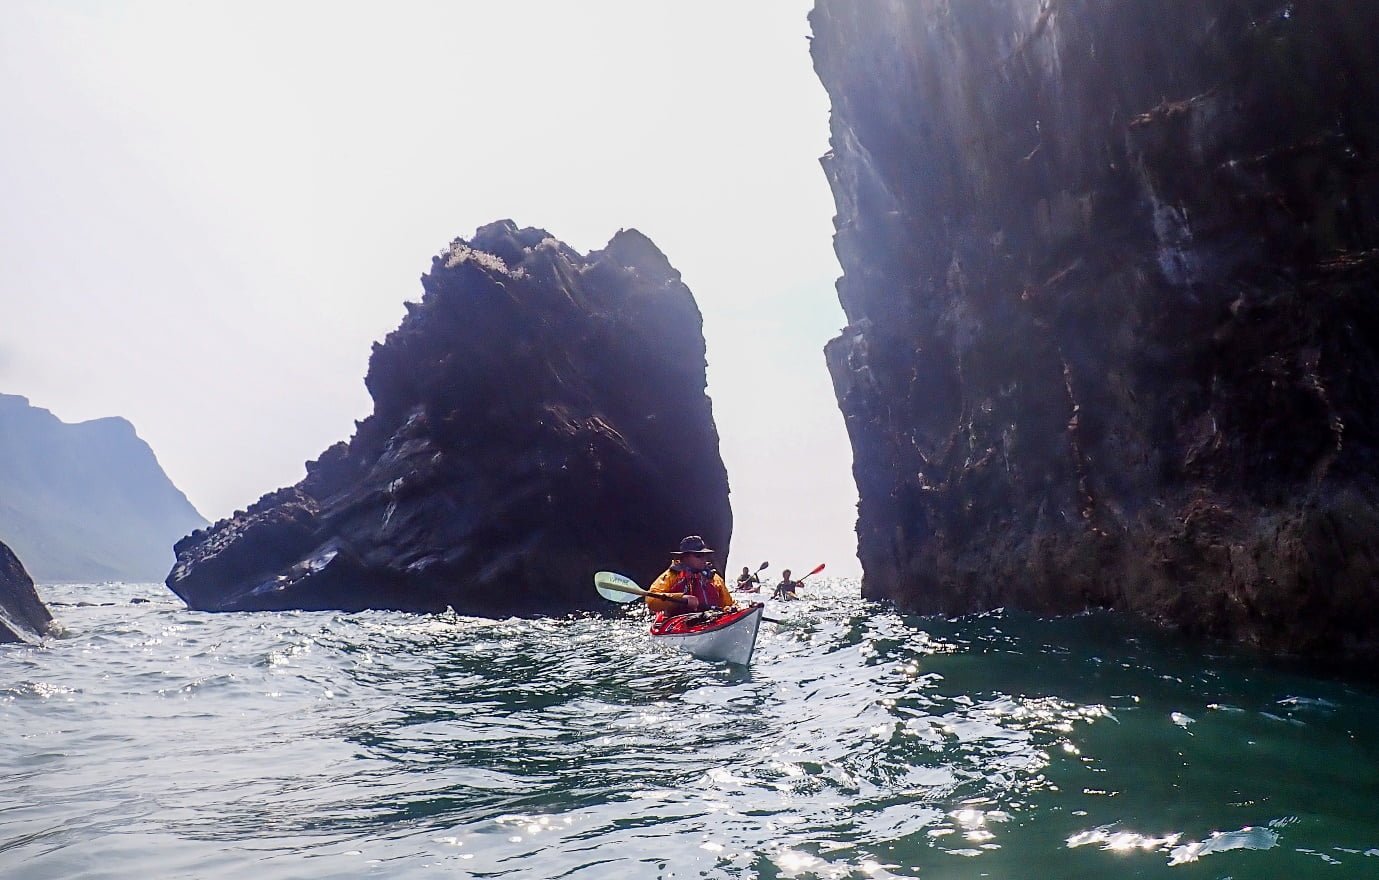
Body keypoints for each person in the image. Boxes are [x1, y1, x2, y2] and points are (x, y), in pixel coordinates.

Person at [647, 535, 733, 617]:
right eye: (698, 556)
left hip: (711, 618)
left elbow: (728, 604)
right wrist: (681, 598)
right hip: (680, 621)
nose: (704, 559)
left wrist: (728, 609)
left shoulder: (714, 578)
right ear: (684, 557)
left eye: (705, 556)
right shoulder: (671, 576)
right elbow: (651, 601)